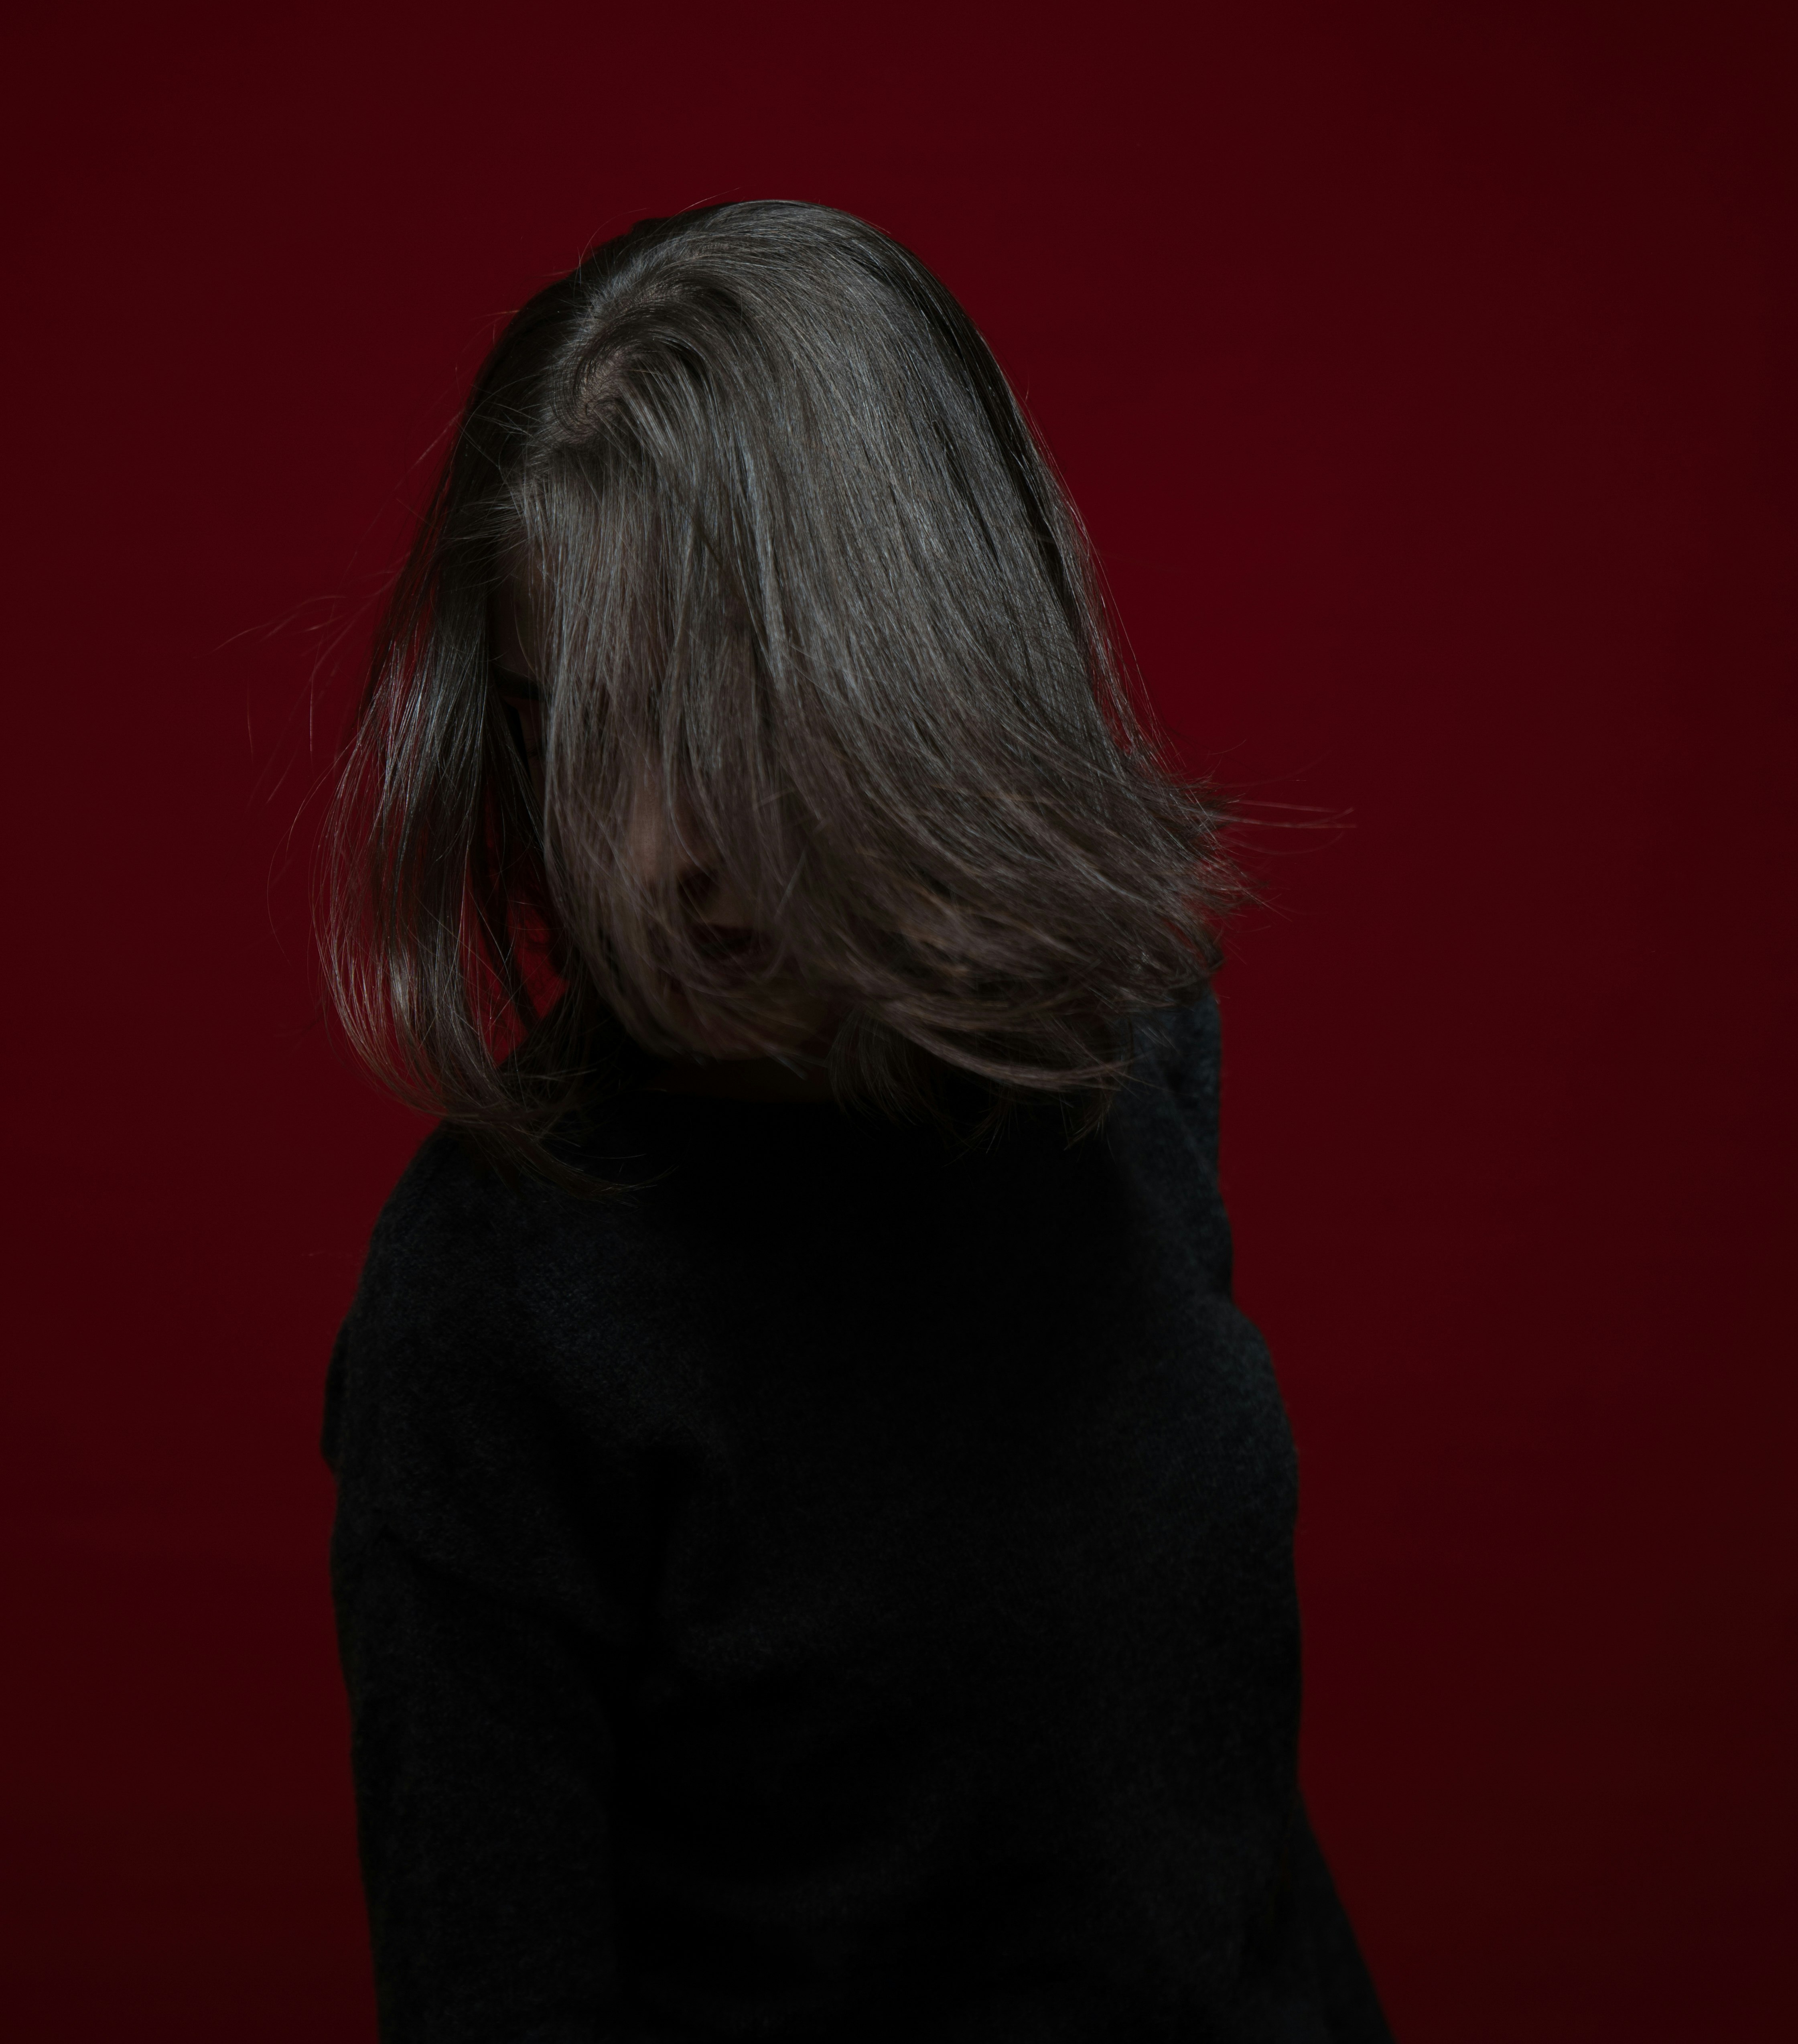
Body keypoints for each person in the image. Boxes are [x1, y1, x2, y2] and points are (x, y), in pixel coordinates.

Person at [320, 199, 1392, 2044]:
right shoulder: (489, 1314)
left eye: (738, 713)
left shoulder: (1120, 1056)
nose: (667, 848)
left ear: (919, 672)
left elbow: (1203, 1824)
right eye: (584, 725)